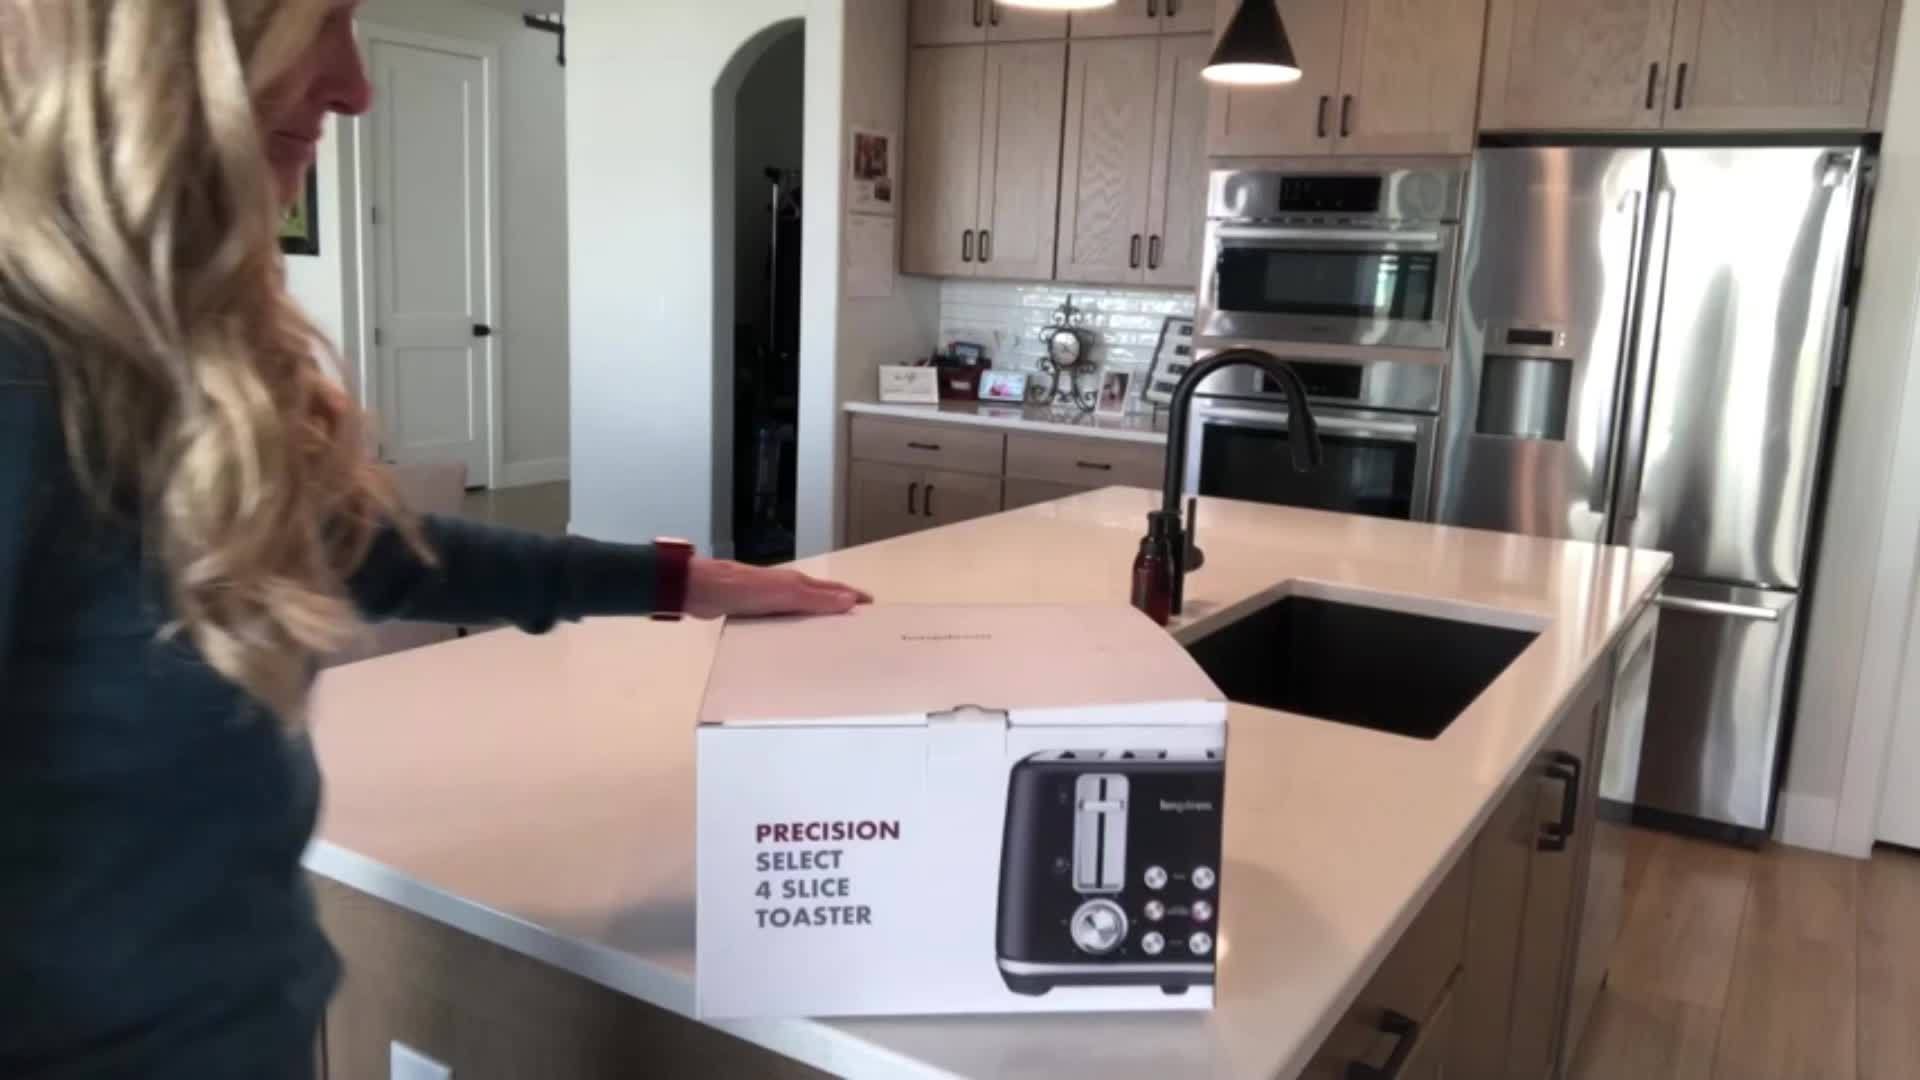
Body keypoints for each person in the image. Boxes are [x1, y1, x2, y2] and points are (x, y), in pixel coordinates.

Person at [0, 1, 868, 1075]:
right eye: (321, 19)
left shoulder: (153, 354)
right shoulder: (21, 377)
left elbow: (373, 551)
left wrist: (682, 581)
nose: (353, 84)